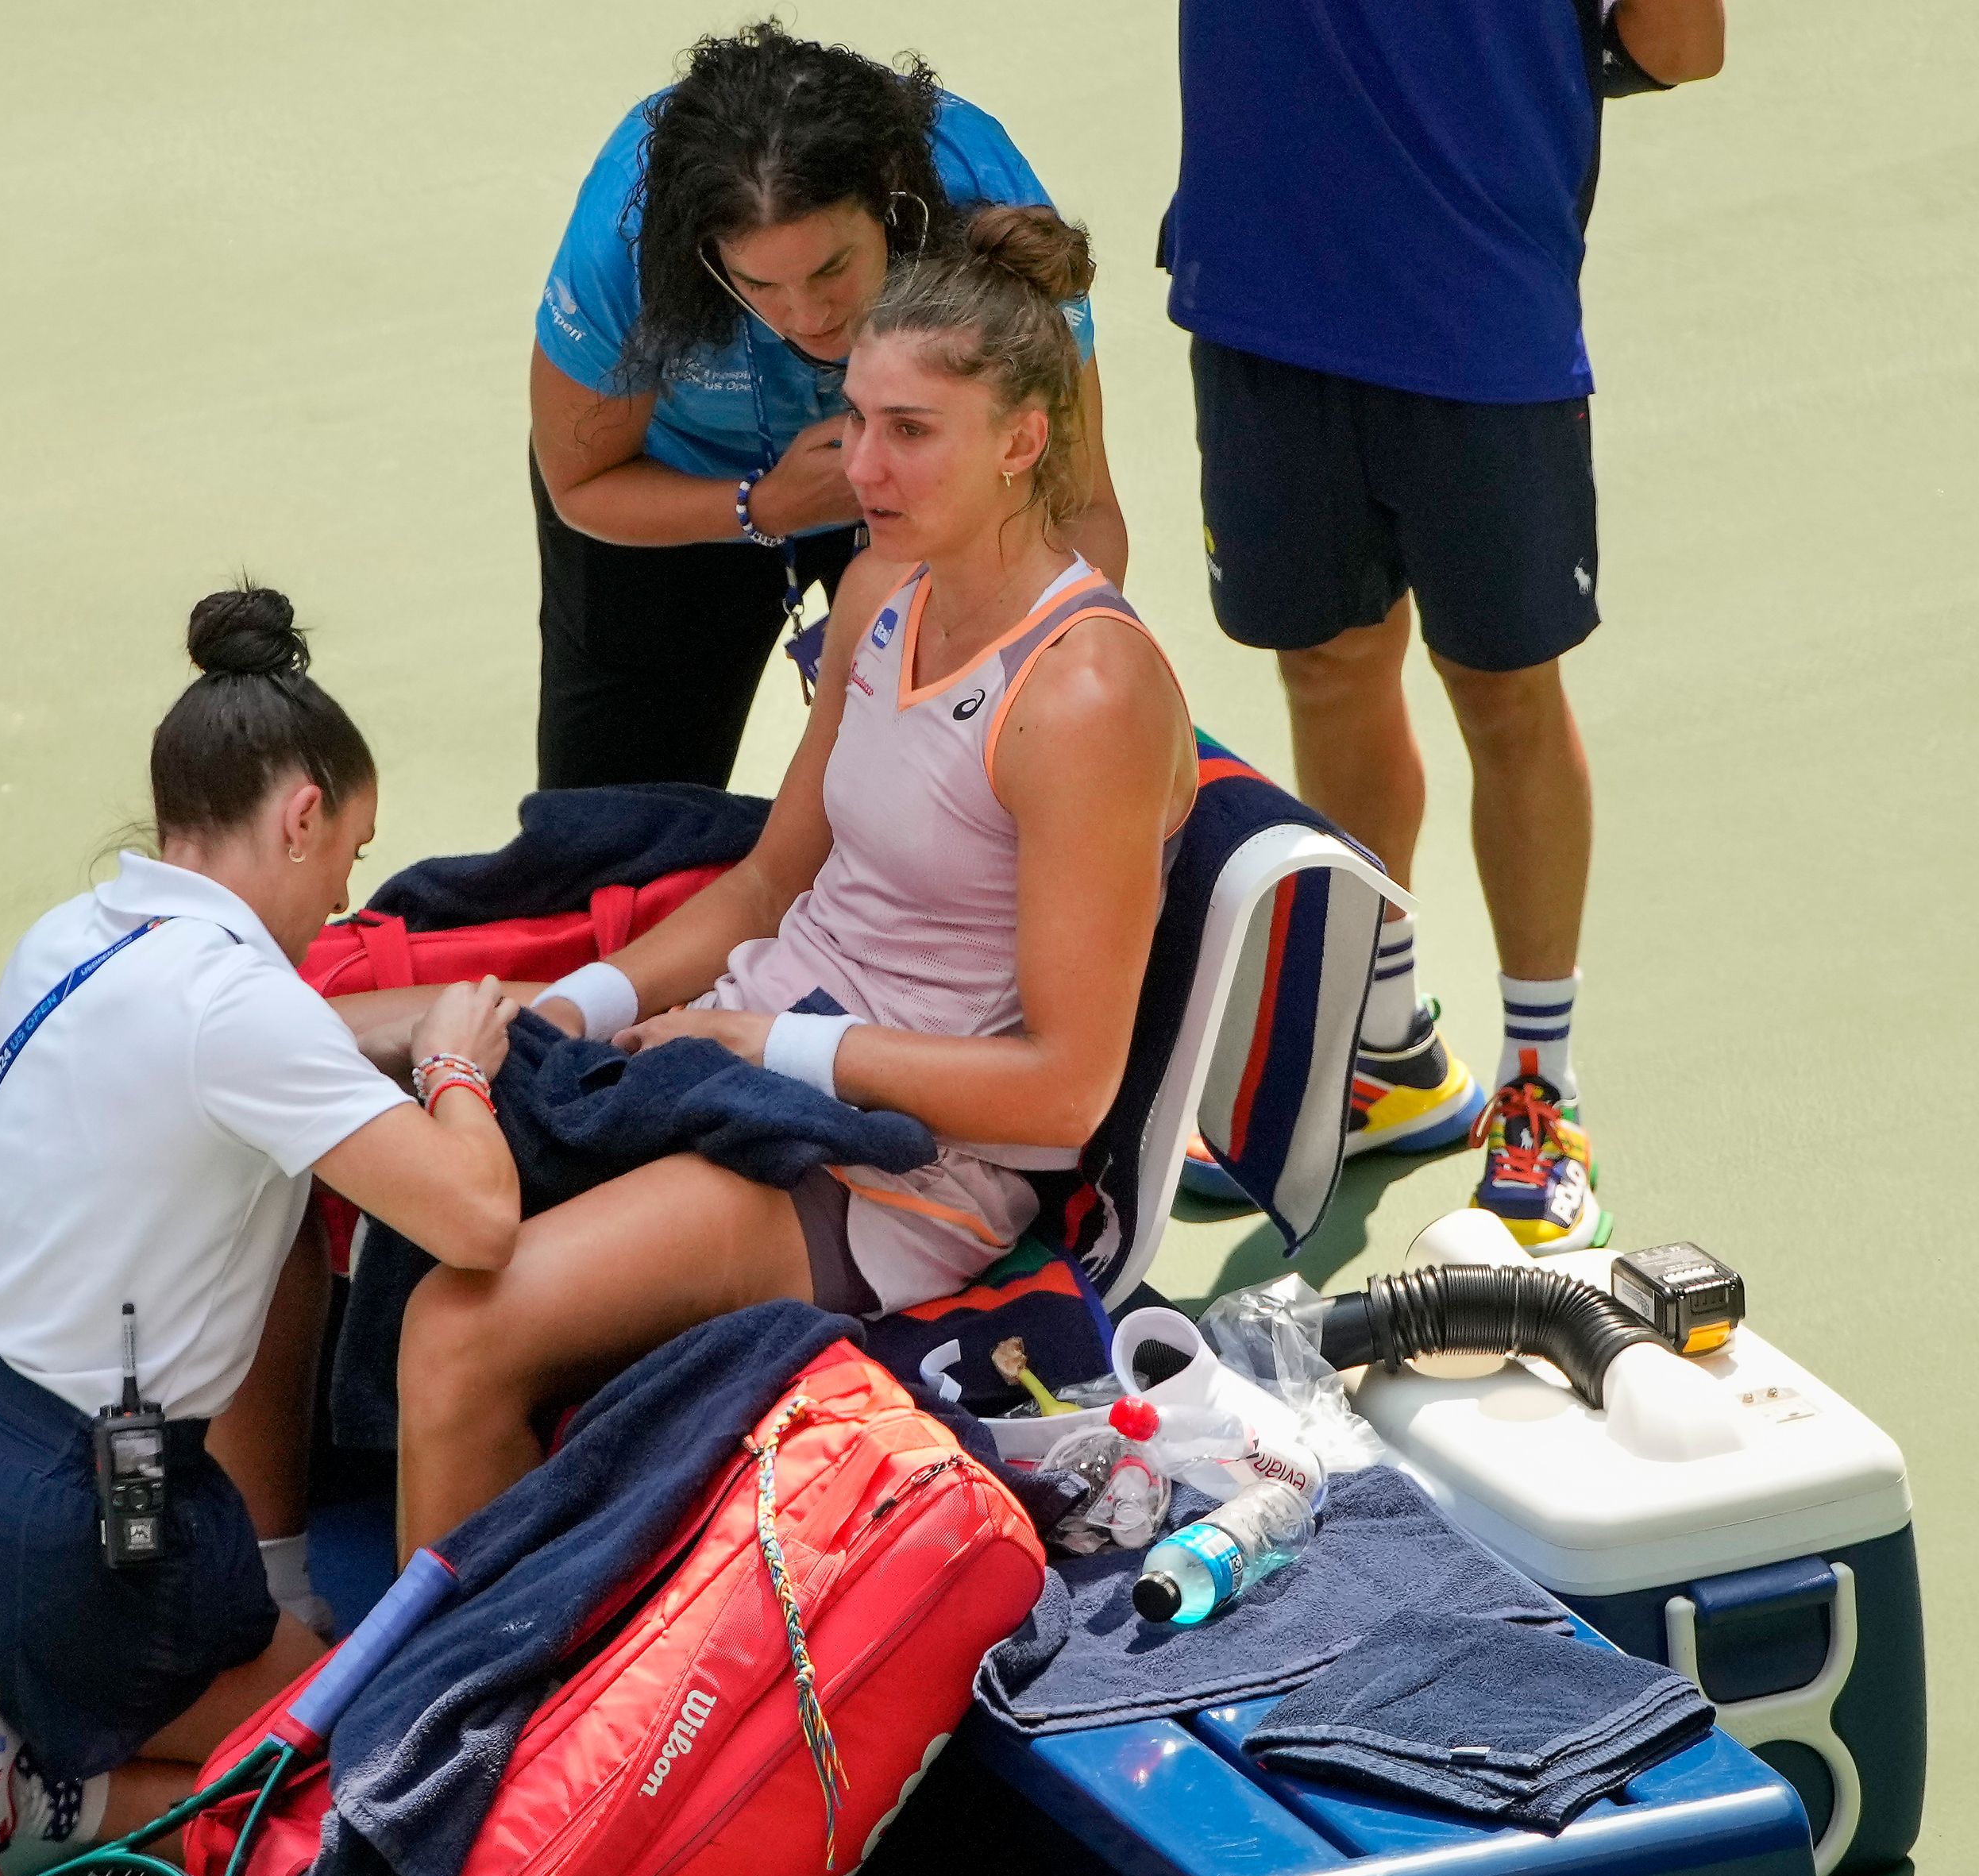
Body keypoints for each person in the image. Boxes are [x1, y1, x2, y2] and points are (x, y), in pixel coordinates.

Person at [397, 208, 1192, 1553]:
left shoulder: (1086, 695)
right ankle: (308, 1607)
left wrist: (766, 1042)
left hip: (888, 1171)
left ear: (1023, 439)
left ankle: (429, 1738)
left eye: (913, 430)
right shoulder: (888, 582)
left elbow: (1066, 1092)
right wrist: (569, 1008)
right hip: (734, 1060)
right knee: (342, 1132)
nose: (862, 465)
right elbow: (769, 887)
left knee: (462, 1324)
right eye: (858, 418)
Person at [0, 588, 524, 1876]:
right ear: (298, 815)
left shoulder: (70, 935)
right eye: (349, 853)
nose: (349, 893)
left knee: (214, 1666)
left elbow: (229, 1069)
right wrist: (458, 1061)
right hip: (81, 1531)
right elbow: (474, 1216)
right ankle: (14, 1803)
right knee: (361, 1765)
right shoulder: (242, 1010)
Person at [1163, 0, 1727, 1252]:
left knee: (1502, 687)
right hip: (1265, 279)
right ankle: (1387, 1049)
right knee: (1329, 665)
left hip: (1477, 297)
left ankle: (1541, 1084)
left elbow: (1679, 42)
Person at [528, 21, 1125, 792]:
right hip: (678, 486)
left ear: (891, 201)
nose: (807, 318)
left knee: (937, 797)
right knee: (611, 819)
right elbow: (580, 481)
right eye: (759, 286)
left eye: (832, 267)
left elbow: (1078, 508)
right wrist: (762, 504)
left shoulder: (987, 202)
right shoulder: (623, 244)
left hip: (934, 499)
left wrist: (1022, 680)